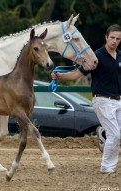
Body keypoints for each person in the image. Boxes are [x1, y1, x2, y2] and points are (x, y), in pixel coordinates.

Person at [51, 24, 121, 173]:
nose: (115, 41)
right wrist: (60, 75)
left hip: (118, 100)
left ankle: (103, 133)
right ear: (106, 37)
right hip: (102, 100)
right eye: (112, 38)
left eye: (118, 39)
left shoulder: (120, 56)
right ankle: (107, 167)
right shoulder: (96, 56)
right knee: (115, 134)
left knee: (115, 134)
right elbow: (78, 74)